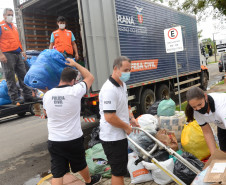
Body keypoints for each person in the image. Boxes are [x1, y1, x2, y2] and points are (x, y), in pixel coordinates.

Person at [43, 58, 101, 185]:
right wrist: (75, 64)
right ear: (73, 81)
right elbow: (90, 77)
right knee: (80, 164)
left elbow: (46, 113)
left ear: (61, 79)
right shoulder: (75, 90)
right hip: (72, 139)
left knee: (58, 171)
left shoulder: (47, 95)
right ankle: (89, 181)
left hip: (54, 140)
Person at [99, 56, 140, 185]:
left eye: (130, 70)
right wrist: (126, 127)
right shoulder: (109, 89)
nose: (128, 73)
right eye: (126, 70)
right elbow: (109, 117)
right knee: (118, 172)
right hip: (112, 138)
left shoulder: (122, 84)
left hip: (119, 135)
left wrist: (131, 118)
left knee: (120, 170)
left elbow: (124, 104)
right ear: (116, 68)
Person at [0, 8, 37, 105]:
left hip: (17, 54)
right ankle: (15, 98)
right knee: (10, 77)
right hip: (7, 54)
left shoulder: (14, 27)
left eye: (12, 14)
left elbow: (17, 40)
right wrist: (1, 54)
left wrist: (22, 51)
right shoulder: (1, 26)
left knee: (23, 75)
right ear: (4, 15)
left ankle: (28, 95)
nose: (10, 16)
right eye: (9, 14)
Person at [185, 86, 226, 155]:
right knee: (223, 154)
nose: (198, 108)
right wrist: (214, 156)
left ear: (205, 97)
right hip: (221, 125)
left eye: (200, 104)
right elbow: (207, 132)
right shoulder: (196, 112)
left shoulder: (221, 107)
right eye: (194, 107)